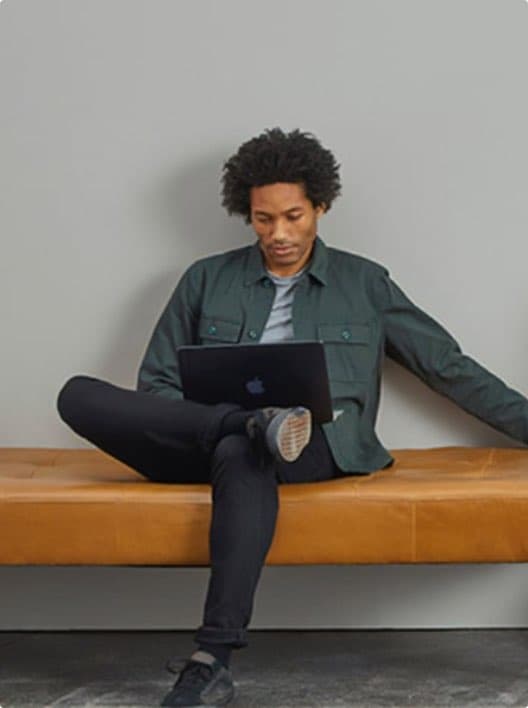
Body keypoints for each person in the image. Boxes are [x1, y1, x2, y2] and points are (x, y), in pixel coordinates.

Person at [56, 127, 528, 707]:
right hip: (201, 436)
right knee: (77, 395)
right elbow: (156, 383)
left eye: (293, 216)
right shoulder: (205, 278)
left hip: (313, 443)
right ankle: (243, 422)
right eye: (263, 219)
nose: (278, 234)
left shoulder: (364, 283)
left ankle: (212, 658)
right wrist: (230, 418)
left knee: (247, 450)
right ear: (247, 214)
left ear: (320, 207)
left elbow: (448, 367)